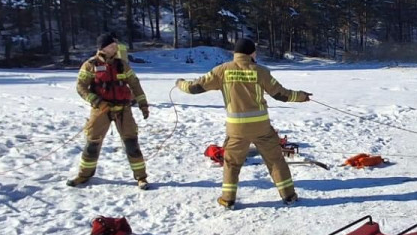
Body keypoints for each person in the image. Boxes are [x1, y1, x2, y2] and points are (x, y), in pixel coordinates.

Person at [175, 38, 311, 209]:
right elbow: (281, 94)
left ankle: (227, 199)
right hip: (261, 127)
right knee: (276, 160)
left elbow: (194, 87)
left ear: (235, 53)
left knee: (231, 164)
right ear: (251, 53)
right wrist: (302, 96)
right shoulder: (260, 71)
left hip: (236, 128)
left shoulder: (222, 70)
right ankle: (289, 196)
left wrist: (179, 83)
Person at [67, 33, 151, 189]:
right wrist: (97, 101)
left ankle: (141, 177)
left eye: (115, 46)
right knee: (92, 143)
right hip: (101, 110)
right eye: (111, 46)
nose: (115, 48)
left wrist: (143, 104)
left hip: (123, 109)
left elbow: (135, 84)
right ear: (103, 48)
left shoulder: (122, 65)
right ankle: (84, 175)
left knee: (131, 143)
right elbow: (81, 87)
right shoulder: (90, 65)